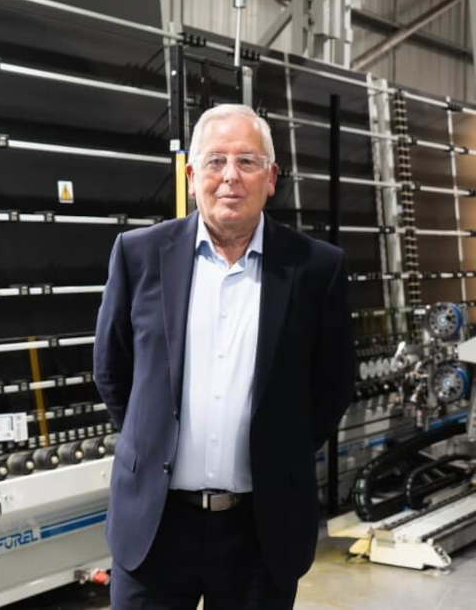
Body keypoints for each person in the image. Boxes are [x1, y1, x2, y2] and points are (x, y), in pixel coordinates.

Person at [94, 103, 357, 609]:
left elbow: (333, 384)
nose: (230, 177)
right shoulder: (139, 254)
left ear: (272, 177)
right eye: (215, 162)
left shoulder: (316, 269)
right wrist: (151, 440)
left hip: (260, 534)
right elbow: (112, 369)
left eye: (247, 161)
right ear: (192, 176)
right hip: (155, 527)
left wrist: (278, 450)